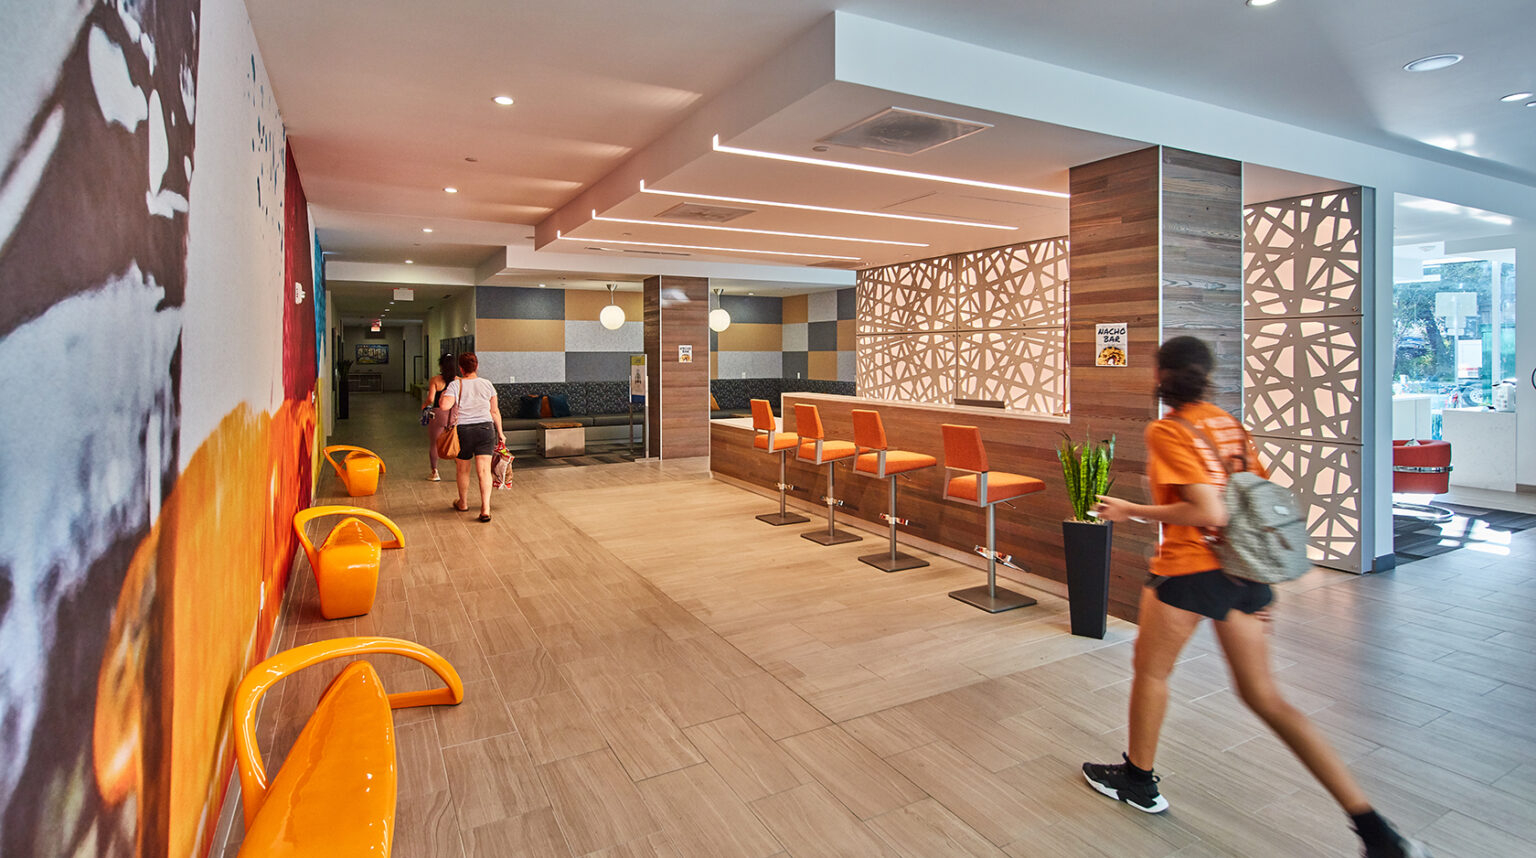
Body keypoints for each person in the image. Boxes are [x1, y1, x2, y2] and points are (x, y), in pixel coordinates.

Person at [1084, 337, 1430, 858]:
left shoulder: (1168, 430)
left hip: (1188, 570)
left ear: (1159, 375)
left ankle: (1138, 780)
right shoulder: (1227, 424)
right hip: (1244, 570)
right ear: (1206, 375)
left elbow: (1209, 511)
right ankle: (1374, 828)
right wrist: (1259, 582)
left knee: (1152, 673)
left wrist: (1130, 510)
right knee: (1265, 696)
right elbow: (1256, 496)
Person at [436, 352, 504, 522]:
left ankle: (463, 503)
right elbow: (494, 411)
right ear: (477, 366)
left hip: (463, 431)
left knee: (463, 469)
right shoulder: (487, 384)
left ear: (461, 368)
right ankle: (485, 509)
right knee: (484, 471)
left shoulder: (455, 384)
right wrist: (501, 433)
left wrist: (444, 394)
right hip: (486, 429)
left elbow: (444, 406)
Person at [423, 354, 457, 481]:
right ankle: (460, 470)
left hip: (438, 414)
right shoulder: (459, 381)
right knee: (456, 442)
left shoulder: (435, 380)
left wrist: (424, 405)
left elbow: (431, 399)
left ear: (441, 365)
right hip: (454, 414)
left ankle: (435, 472)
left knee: (434, 444)